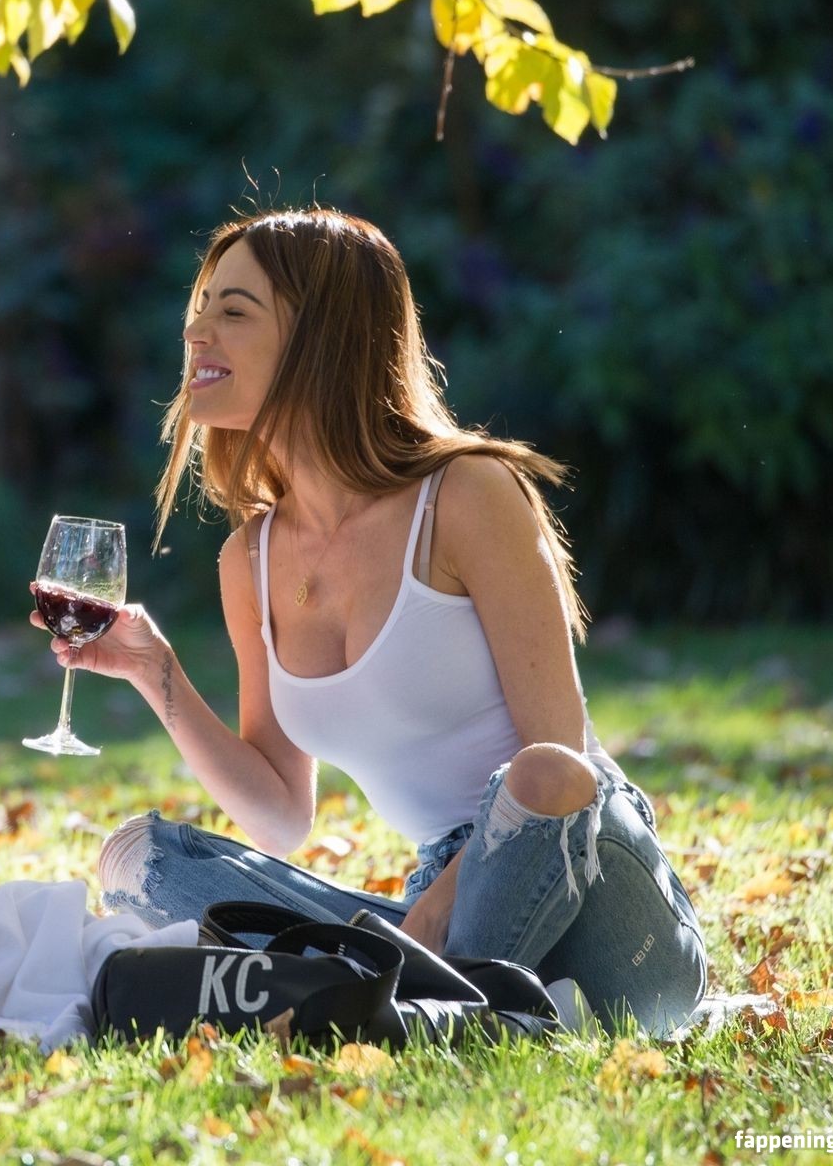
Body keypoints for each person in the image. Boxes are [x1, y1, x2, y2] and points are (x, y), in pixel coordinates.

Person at [37, 208, 706, 1035]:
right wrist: (155, 671)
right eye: (200, 307)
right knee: (141, 859)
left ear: (324, 339)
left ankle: (394, 998)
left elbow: (568, 767)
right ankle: (454, 1011)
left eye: (234, 311)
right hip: (443, 912)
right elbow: (280, 815)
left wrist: (428, 922)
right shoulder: (250, 559)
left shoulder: (467, 495)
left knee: (538, 776)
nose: (196, 331)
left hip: (593, 887)